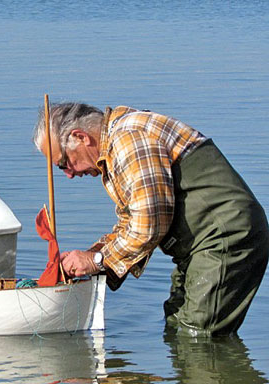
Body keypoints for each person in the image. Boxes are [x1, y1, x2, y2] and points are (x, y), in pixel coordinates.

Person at [33, 103, 269, 336]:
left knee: (197, 334)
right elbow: (131, 220)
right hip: (202, 245)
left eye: (64, 163)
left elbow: (149, 225)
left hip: (225, 238)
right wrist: (92, 259)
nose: (69, 174)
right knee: (176, 324)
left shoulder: (129, 140)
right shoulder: (116, 147)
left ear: (80, 137)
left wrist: (96, 260)